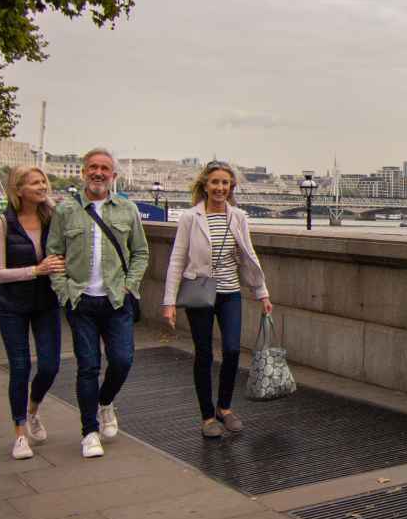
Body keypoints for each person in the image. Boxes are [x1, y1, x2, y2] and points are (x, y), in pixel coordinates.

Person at [48, 148, 149, 458]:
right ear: (83, 172)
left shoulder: (127, 210)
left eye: (105, 168)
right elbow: (54, 254)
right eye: (93, 167)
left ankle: (105, 402)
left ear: (113, 176)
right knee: (87, 367)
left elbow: (141, 252)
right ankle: (89, 431)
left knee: (122, 360)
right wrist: (64, 291)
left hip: (117, 300)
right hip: (81, 301)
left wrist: (130, 286)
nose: (98, 173)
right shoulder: (66, 210)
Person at [163, 161, 273, 438]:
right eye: (215, 182)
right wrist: (168, 302)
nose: (220, 188)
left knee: (233, 350)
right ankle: (207, 416)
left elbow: (249, 255)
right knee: (203, 353)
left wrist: (262, 292)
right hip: (199, 291)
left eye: (225, 183)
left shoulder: (238, 217)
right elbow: (177, 259)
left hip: (229, 292)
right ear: (205, 185)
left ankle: (224, 407)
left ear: (231, 187)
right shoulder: (191, 217)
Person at [0, 166, 65, 459]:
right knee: (20, 368)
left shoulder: (52, 218)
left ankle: (33, 408)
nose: (42, 186)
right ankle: (20, 432)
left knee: (50, 366)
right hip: (11, 307)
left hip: (46, 303)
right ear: (18, 189)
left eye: (43, 181)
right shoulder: (1, 223)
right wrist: (36, 270)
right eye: (35, 183)